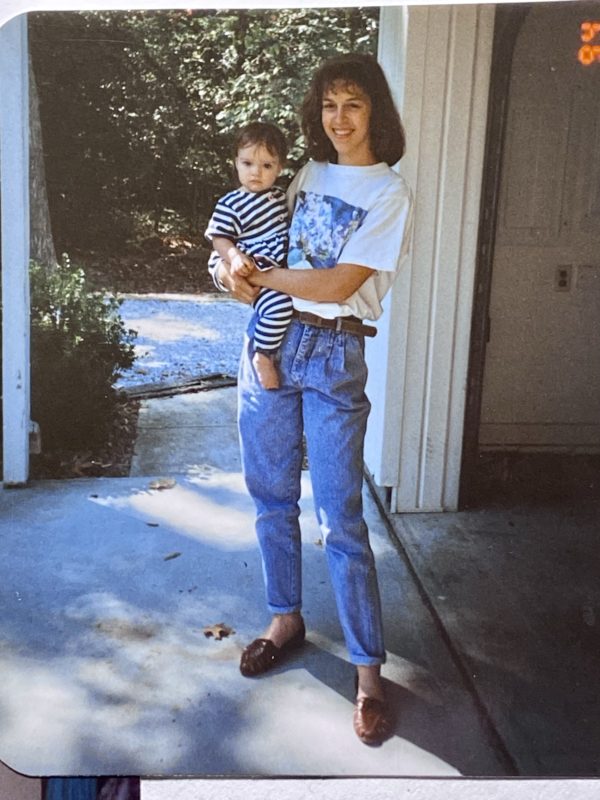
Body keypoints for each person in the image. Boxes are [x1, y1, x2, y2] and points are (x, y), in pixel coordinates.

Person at [212, 53, 413, 746]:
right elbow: (246, 238)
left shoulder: (390, 193)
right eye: (329, 104)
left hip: (332, 353)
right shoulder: (303, 172)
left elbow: (333, 286)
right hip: (271, 341)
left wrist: (264, 277)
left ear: (375, 113)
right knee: (270, 495)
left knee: (341, 521)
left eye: (353, 104)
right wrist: (227, 266)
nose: (339, 118)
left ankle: (366, 675)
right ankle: (285, 619)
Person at [206, 121, 293, 389]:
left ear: (280, 167)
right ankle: (263, 355)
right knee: (280, 307)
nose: (256, 172)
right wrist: (233, 257)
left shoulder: (282, 197)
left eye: (267, 166)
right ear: (236, 163)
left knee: (286, 303)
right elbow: (219, 237)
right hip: (256, 269)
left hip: (282, 268)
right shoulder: (231, 203)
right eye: (248, 163)